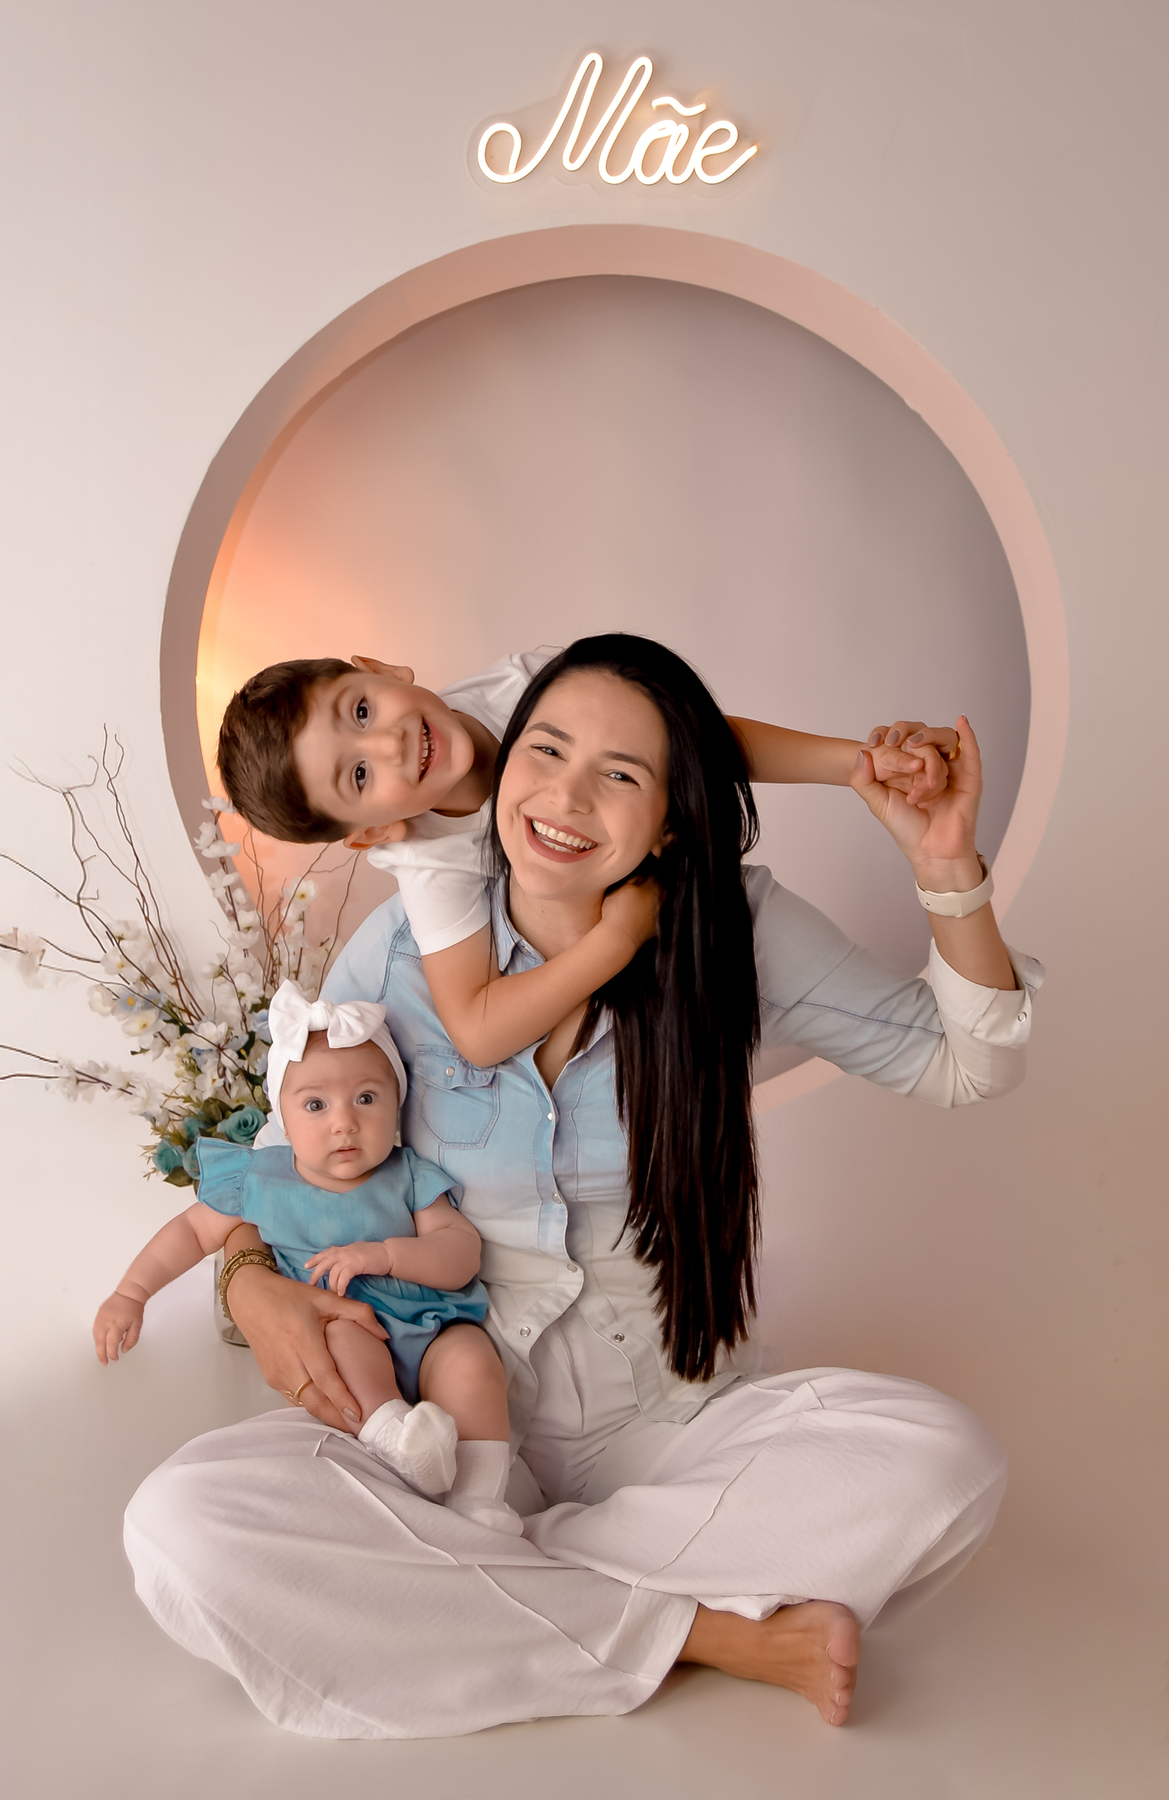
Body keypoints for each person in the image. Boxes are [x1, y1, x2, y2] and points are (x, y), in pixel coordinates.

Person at [125, 635, 1041, 1739]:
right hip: (444, 1413)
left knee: (944, 1463)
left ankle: (492, 1580)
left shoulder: (737, 931)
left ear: (671, 816)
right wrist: (249, 1284)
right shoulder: (405, 948)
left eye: (620, 773)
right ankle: (701, 1629)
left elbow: (965, 1065)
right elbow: (279, 1167)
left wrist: (947, 865)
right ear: (504, 762)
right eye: (547, 752)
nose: (564, 798)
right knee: (182, 1524)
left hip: (668, 1417)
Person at [216, 646, 959, 1067]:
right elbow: (476, 1032)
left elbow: (694, 738)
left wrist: (859, 764)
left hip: (690, 875)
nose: (389, 742)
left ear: (380, 667)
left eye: (362, 709)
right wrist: (617, 939)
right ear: (372, 834)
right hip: (637, 939)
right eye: (359, 776)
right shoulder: (429, 861)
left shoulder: (527, 687)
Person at [96, 980, 521, 1531]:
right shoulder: (261, 1179)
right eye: (316, 1105)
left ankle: (480, 1501)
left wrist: (387, 1255)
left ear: (397, 1104)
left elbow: (460, 1253)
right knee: (341, 1338)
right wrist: (132, 1293)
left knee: (472, 1359)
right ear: (282, 1116)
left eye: (366, 1099)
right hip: (343, 1333)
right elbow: (191, 1233)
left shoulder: (409, 1175)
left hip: (432, 1328)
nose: (344, 1122)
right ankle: (396, 1439)